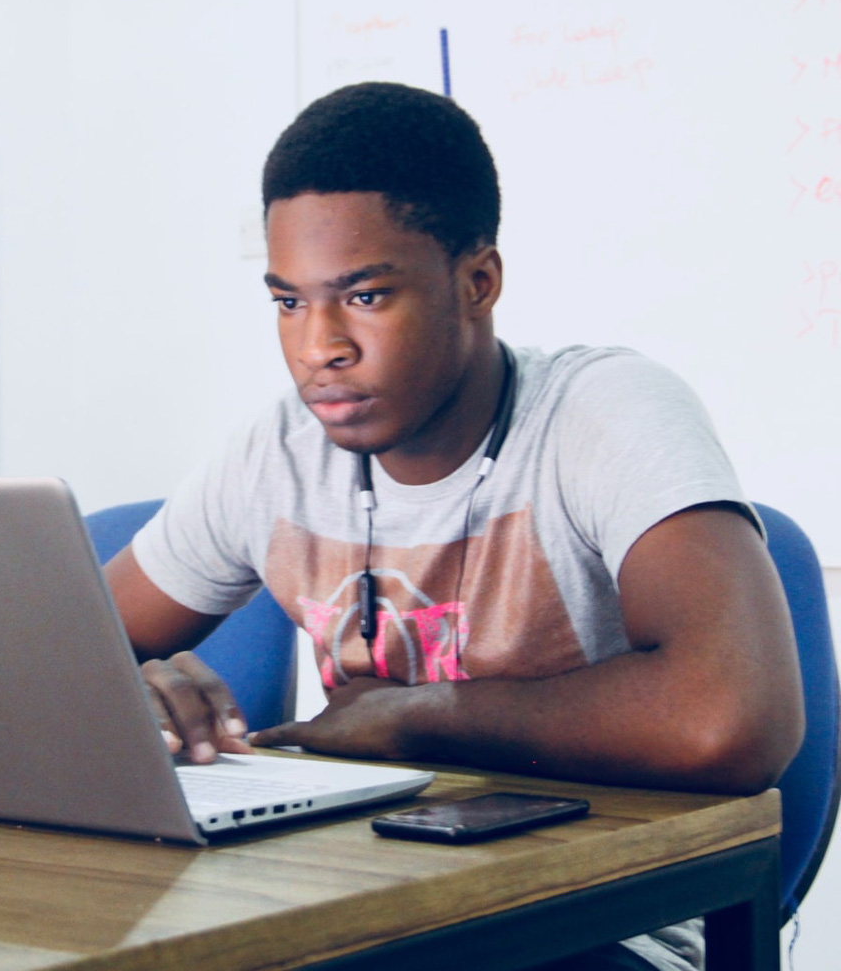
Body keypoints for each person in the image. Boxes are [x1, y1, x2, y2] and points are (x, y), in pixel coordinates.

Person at [103, 81, 804, 971]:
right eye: (288, 302)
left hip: (603, 917)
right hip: (363, 899)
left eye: (362, 297)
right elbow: (58, 652)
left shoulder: (604, 412)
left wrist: (418, 715)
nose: (319, 346)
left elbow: (731, 719)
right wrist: (127, 695)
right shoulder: (277, 448)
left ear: (478, 282)